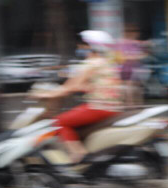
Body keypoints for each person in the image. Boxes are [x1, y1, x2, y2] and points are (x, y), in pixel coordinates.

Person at [33, 30, 124, 163]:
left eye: (83, 46)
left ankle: (78, 154)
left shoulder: (90, 63)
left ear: (91, 47)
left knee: (57, 122)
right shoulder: (108, 63)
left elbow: (69, 88)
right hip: (113, 106)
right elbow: (89, 85)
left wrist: (44, 94)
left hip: (98, 107)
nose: (79, 48)